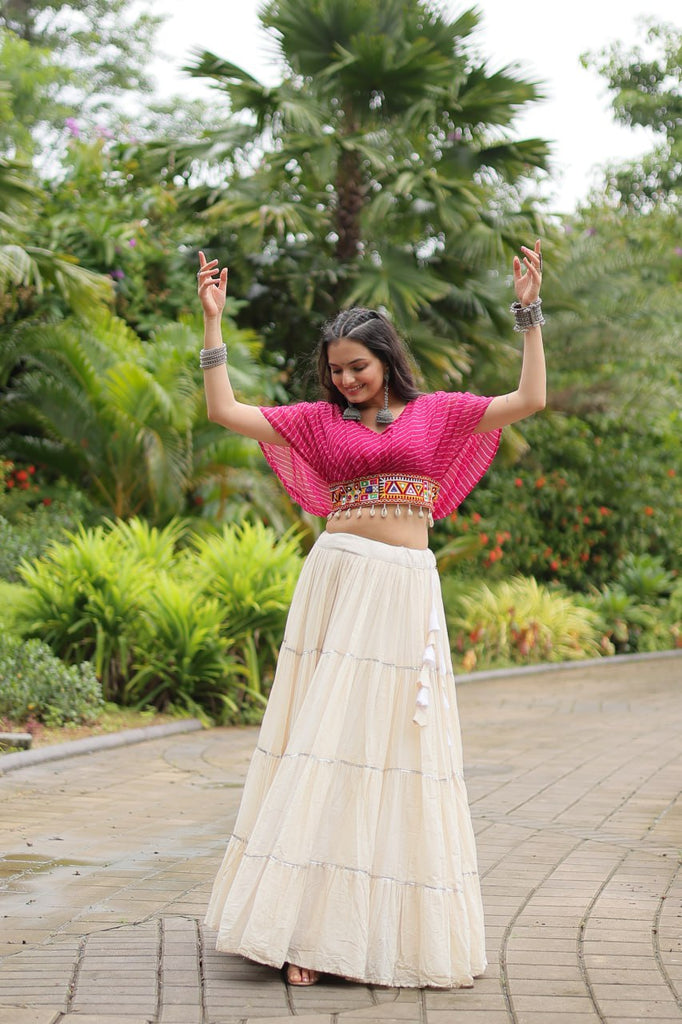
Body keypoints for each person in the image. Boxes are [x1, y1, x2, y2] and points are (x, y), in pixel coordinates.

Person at [199, 242, 546, 989]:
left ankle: (363, 931)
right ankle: (301, 931)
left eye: (358, 365)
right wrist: (212, 325)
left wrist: (528, 316)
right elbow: (224, 410)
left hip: (405, 591)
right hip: (343, 583)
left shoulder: (438, 415)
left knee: (393, 751)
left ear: (386, 357)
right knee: (328, 742)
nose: (346, 379)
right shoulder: (318, 424)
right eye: (336, 370)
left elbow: (529, 402)